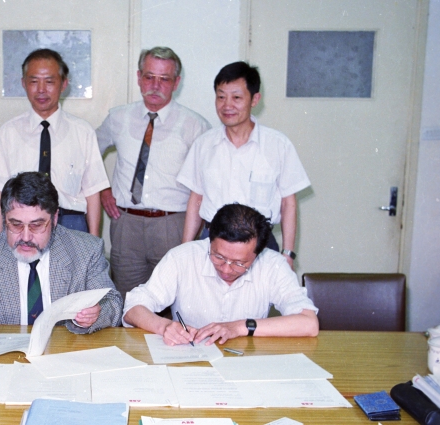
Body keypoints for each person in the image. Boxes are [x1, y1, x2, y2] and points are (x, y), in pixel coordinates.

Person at [0, 172, 123, 347]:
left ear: (54, 219)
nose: (26, 237)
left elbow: (112, 302)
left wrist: (96, 314)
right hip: (2, 358)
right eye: (16, 225)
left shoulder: (85, 250)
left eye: (37, 225)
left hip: (65, 353)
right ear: (4, 218)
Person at [96, 47, 211, 299]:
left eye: (164, 79)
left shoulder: (196, 125)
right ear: (139, 77)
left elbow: (206, 182)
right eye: (149, 77)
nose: (155, 86)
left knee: (174, 300)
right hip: (126, 225)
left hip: (173, 225)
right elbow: (88, 154)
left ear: (176, 83)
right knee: (127, 300)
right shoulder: (118, 117)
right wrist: (102, 188)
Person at [123, 203, 319, 346]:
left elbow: (309, 323)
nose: (226, 269)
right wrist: (163, 326)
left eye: (240, 263)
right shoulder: (182, 257)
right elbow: (133, 307)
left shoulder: (273, 264)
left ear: (258, 254)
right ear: (210, 240)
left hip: (246, 359)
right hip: (190, 359)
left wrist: (239, 327)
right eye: (218, 257)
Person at [178, 61, 310, 268]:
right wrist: (185, 249)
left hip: (261, 245)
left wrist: (288, 253)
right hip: (211, 242)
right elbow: (196, 199)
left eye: (237, 98)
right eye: (221, 97)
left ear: (255, 99)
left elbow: (288, 203)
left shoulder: (278, 145)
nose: (227, 105)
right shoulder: (203, 145)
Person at [0, 49, 109, 236]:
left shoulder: (83, 132)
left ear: (63, 84)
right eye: (34, 81)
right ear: (24, 84)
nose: (41, 89)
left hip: (71, 223)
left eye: (49, 82)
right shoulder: (9, 132)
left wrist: (94, 241)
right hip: (23, 224)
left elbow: (92, 193)